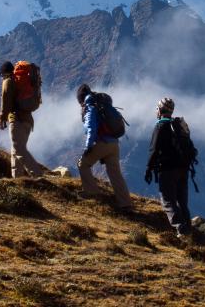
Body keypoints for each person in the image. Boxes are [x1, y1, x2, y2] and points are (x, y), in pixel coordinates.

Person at [76, 83, 132, 212]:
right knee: (115, 174)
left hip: (103, 143)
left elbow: (91, 128)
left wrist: (88, 147)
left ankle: (92, 193)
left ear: (81, 98)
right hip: (114, 144)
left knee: (83, 164)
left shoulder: (90, 106)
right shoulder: (102, 103)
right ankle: (125, 203)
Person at [145, 97, 193, 237]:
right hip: (183, 169)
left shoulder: (160, 126)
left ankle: (181, 229)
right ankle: (188, 230)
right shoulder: (178, 126)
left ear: (159, 110)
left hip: (167, 169)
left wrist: (149, 168)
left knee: (168, 201)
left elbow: (153, 150)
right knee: (182, 201)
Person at [0, 61, 42, 177]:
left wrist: (1, 118)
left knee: (18, 148)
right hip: (27, 121)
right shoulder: (19, 82)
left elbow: (5, 102)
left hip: (17, 119)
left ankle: (37, 175)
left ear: (3, 73)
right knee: (15, 149)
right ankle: (17, 178)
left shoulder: (8, 81)